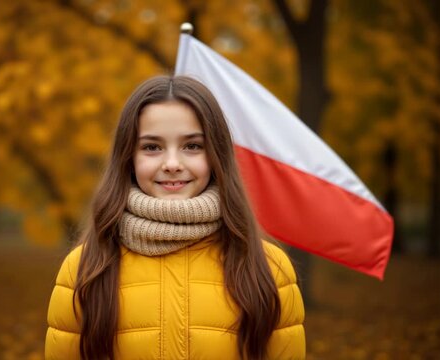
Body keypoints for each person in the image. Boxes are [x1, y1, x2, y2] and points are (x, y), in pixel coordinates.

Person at [45, 75, 305, 359]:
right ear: (128, 158)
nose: (171, 164)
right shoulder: (83, 269)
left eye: (192, 146)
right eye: (152, 147)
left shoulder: (269, 268)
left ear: (216, 154)